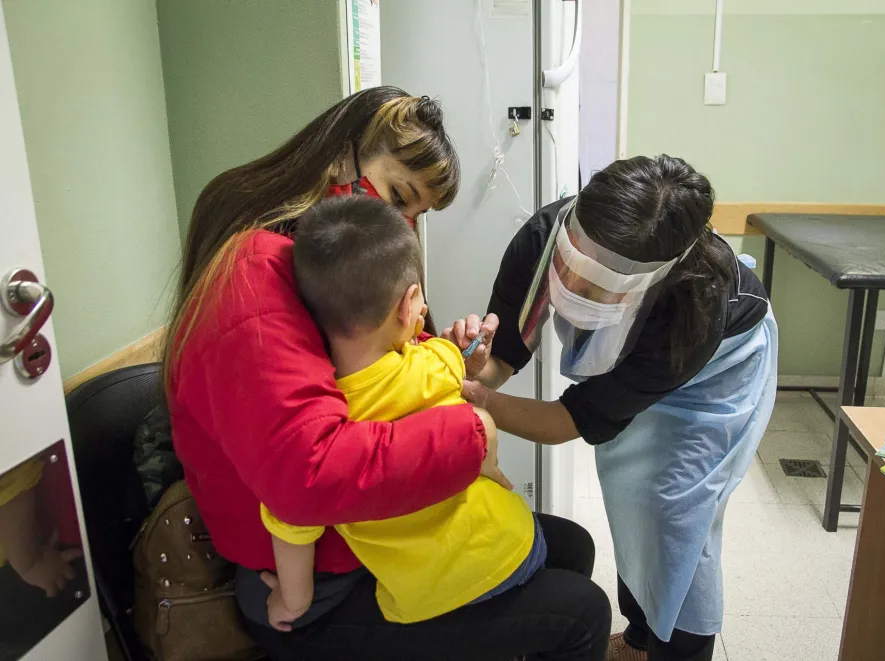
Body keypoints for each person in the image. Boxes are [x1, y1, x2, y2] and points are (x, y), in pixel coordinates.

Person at [166, 86, 610, 660]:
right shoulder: (255, 276)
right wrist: (472, 434)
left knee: (569, 546)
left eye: (413, 215)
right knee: (582, 613)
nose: (399, 225)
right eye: (398, 196)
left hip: (360, 541)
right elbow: (310, 473)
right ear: (340, 156)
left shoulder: (320, 272)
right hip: (314, 583)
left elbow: (381, 378)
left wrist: (451, 359)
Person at [450, 155, 778, 661]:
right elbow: (506, 357)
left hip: (719, 367)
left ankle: (681, 651)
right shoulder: (541, 237)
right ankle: (642, 637)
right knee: (630, 497)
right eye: (570, 264)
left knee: (676, 513)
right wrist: (475, 370)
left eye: (599, 285)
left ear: (650, 280)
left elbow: (569, 421)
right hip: (649, 354)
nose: (573, 289)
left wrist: (477, 399)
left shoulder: (693, 305)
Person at [260, 195, 546, 630]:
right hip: (511, 544)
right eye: (420, 303)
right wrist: (467, 360)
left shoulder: (315, 425)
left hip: (425, 594)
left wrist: (292, 602)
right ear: (407, 304)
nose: (425, 312)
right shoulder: (437, 361)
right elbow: (465, 373)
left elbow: (292, 519)